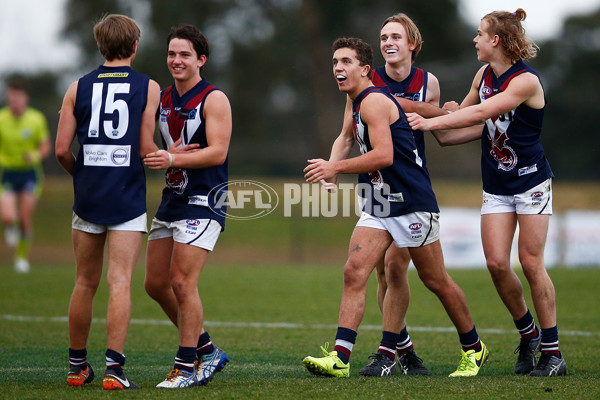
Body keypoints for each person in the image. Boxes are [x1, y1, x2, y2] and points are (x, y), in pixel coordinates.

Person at [302, 37, 488, 378]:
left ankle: (474, 347)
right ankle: (340, 358)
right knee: (354, 271)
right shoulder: (355, 101)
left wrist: (335, 169)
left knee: (436, 280)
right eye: (334, 62)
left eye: (345, 62)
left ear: (364, 69)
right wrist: (332, 165)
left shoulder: (373, 101)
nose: (338, 69)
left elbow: (384, 156)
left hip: (411, 202)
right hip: (378, 201)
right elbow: (347, 139)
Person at [407, 9, 566, 377]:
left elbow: (483, 112)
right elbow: (458, 120)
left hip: (530, 183)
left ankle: (552, 352)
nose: (475, 40)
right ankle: (529, 335)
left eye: (480, 34)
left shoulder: (525, 81)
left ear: (495, 40)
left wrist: (432, 119)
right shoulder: (483, 75)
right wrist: (427, 113)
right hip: (496, 186)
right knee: (496, 264)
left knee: (530, 263)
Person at [56, 14, 160, 390]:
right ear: (135, 46)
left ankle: (76, 367)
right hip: (127, 197)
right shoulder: (149, 88)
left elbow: (61, 150)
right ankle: (114, 370)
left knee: (84, 282)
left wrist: (83, 177)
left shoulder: (75, 88)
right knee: (120, 282)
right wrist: (171, 153)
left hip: (89, 196)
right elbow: (148, 148)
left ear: (100, 46)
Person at [143, 24, 232, 389]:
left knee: (182, 282)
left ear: (201, 59)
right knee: (154, 284)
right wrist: (166, 155)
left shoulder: (214, 98)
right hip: (173, 199)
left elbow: (218, 151)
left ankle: (184, 368)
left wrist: (170, 157)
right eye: (171, 54)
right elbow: (148, 146)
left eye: (184, 54)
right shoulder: (162, 98)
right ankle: (206, 349)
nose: (176, 60)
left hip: (205, 200)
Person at [356, 12, 444, 377]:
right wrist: (332, 164)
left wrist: (451, 114)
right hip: (375, 184)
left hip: (409, 185)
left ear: (412, 44)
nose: (388, 43)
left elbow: (438, 126)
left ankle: (389, 353)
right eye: (383, 37)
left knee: (396, 267)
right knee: (380, 273)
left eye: (395, 37)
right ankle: (402, 350)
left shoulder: (429, 82)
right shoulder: (368, 79)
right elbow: (348, 130)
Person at [0, 78, 51, 273]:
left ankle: (21, 258)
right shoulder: (2, 119)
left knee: (24, 217)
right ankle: (9, 226)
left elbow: (45, 146)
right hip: (8, 173)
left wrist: (36, 155)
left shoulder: (36, 119)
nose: (15, 101)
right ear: (8, 98)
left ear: (25, 99)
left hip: (30, 174)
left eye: (19, 97)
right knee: (7, 217)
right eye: (12, 97)